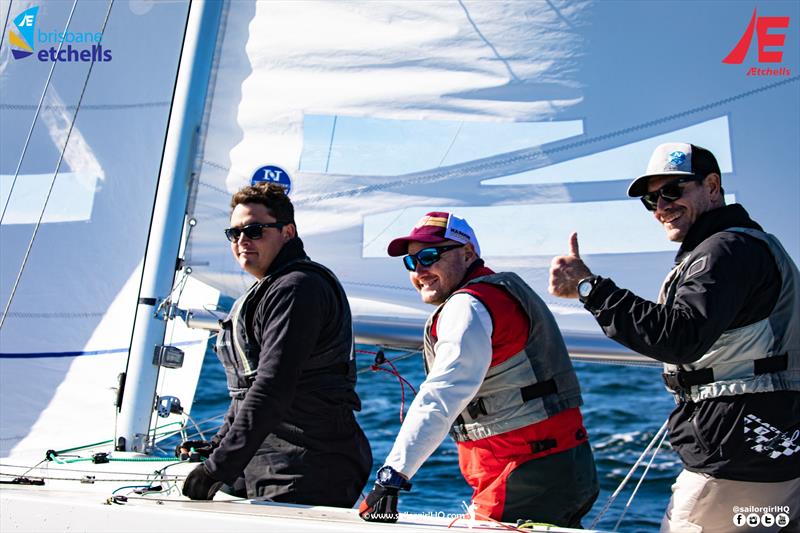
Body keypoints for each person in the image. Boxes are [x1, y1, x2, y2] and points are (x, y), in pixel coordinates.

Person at [549, 143, 800, 532]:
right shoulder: (746, 245)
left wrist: (589, 289)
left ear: (712, 187)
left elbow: (680, 336)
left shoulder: (725, 251)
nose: (661, 206)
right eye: (651, 200)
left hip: (735, 455)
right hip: (772, 448)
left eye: (672, 191)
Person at [359, 212, 599, 527]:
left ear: (468, 254)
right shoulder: (502, 291)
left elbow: (442, 394)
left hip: (522, 474)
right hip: (565, 464)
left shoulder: (467, 306)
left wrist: (393, 475)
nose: (420, 269)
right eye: (411, 261)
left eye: (430, 256)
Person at [180, 182, 372, 506]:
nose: (242, 241)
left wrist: (216, 469)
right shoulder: (270, 288)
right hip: (268, 461)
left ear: (288, 232)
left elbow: (272, 387)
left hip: (306, 466)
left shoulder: (298, 289)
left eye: (254, 230)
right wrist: (216, 450)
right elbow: (247, 393)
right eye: (234, 233)